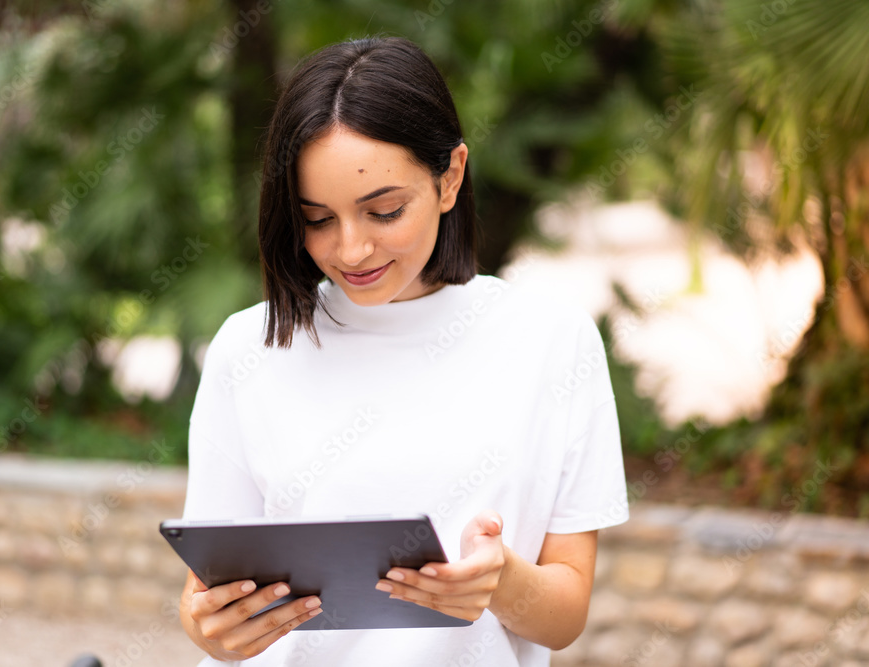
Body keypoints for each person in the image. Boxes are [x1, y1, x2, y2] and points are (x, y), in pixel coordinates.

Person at [178, 35, 629, 666]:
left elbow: (564, 616)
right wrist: (210, 627)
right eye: (317, 218)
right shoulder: (249, 348)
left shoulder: (551, 342)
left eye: (384, 211)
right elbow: (207, 600)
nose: (351, 249)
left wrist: (499, 581)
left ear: (450, 177)